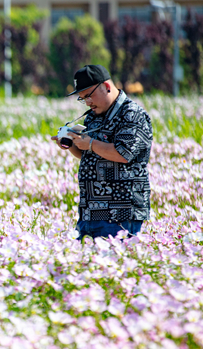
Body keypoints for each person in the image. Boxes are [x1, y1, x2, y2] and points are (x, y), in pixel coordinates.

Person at [51, 65, 153, 240]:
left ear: (106, 86)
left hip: (119, 215)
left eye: (89, 96)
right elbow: (91, 156)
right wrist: (73, 145)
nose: (88, 102)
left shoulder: (132, 114)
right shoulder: (93, 116)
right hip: (89, 213)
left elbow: (123, 153)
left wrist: (90, 143)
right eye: (82, 99)